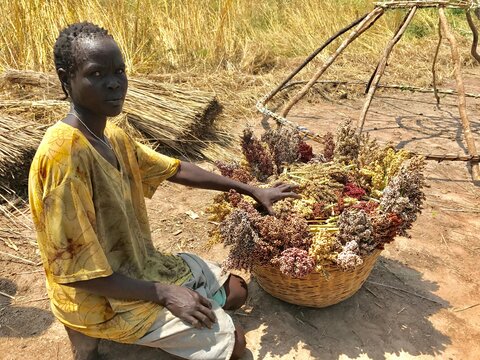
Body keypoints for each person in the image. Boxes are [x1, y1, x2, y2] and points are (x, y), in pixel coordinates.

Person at [28, 22, 299, 360]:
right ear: (66, 78)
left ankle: (143, 338)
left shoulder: (111, 136)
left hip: (138, 268)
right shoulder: (63, 158)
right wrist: (166, 293)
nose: (114, 83)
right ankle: (101, 344)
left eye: (119, 71)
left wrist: (251, 189)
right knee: (237, 347)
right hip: (100, 299)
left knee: (235, 293)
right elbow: (75, 276)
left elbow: (176, 169)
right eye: (97, 74)